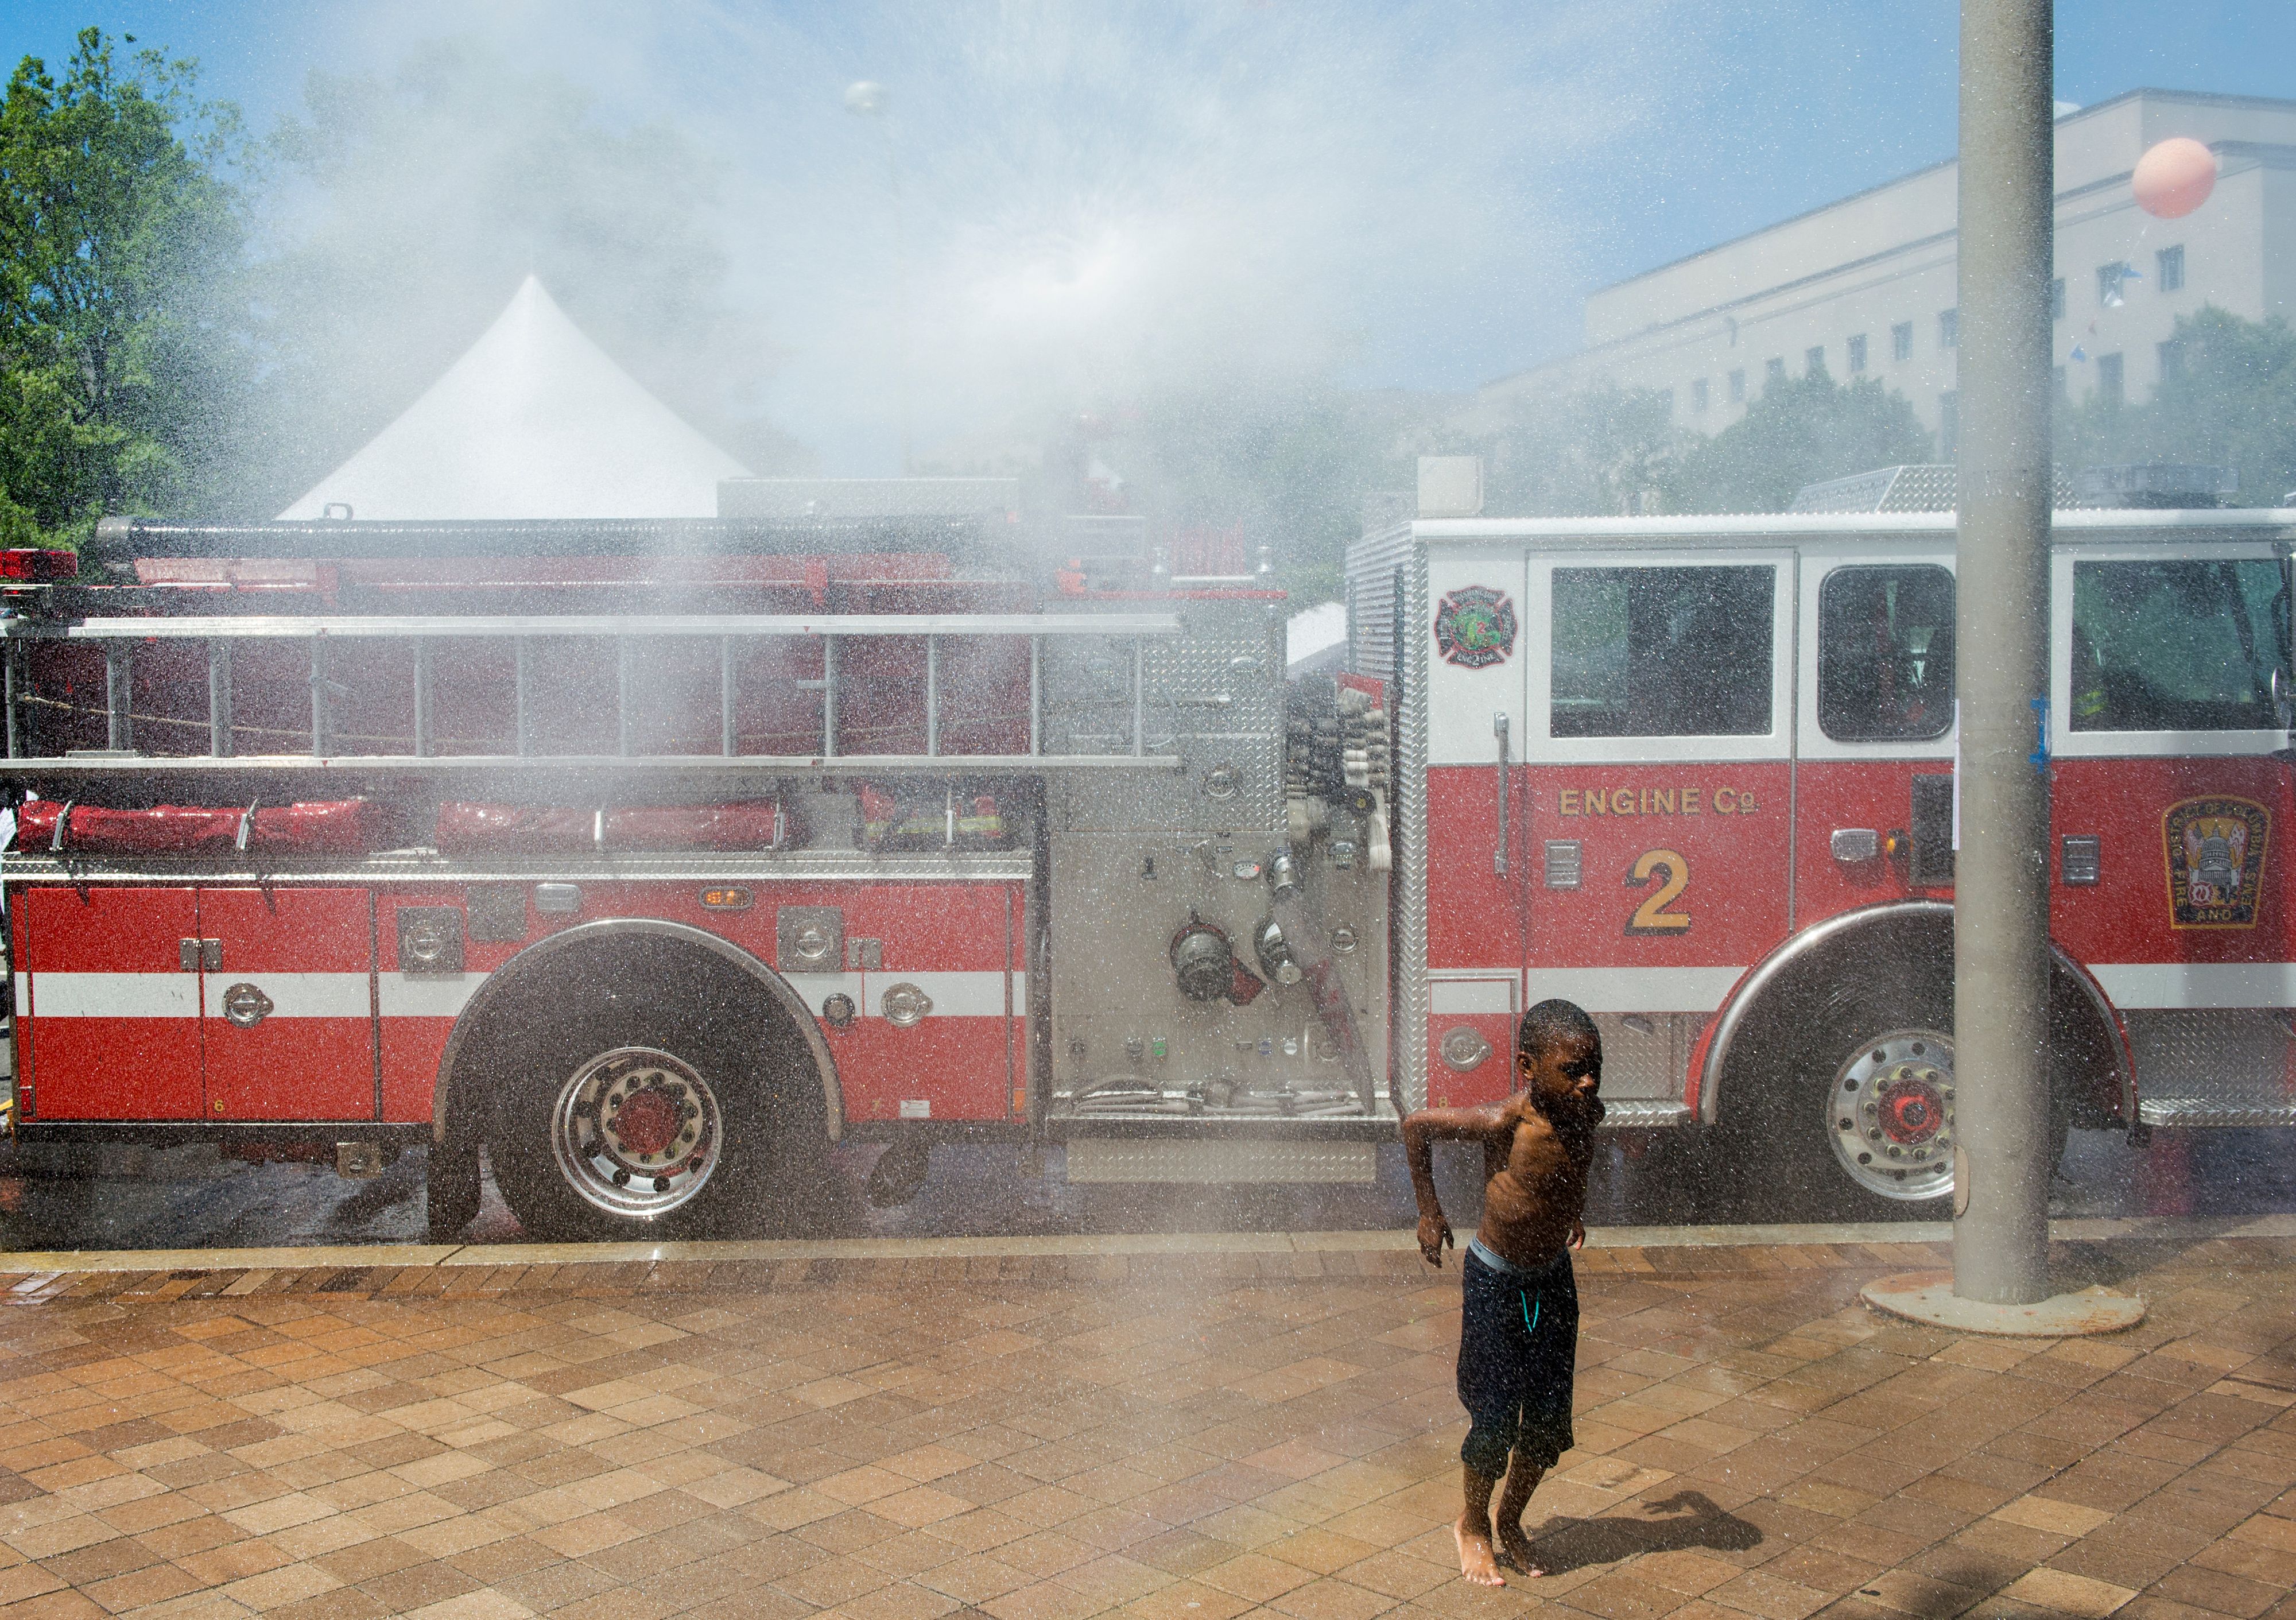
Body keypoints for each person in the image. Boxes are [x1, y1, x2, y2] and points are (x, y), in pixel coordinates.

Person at [1401, 999, 1604, 1586]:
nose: (1587, 1080)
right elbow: (1416, 1125)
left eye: (1594, 1066)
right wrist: (1429, 1210)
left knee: (1545, 1422)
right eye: (1572, 1069)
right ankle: (1471, 1523)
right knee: (1493, 1419)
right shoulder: (1505, 1120)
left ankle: (1510, 1518)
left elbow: (1571, 1163)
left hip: (1551, 1278)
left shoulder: (1587, 1111)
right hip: (1497, 1278)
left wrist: (1571, 1206)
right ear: (1527, 1065)